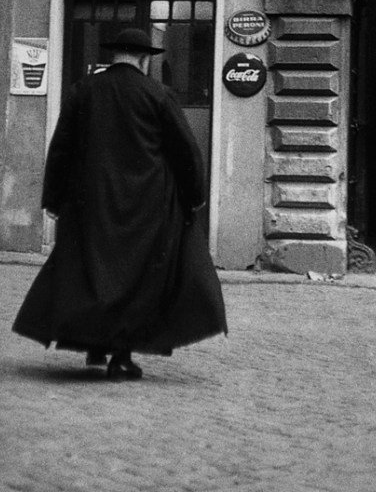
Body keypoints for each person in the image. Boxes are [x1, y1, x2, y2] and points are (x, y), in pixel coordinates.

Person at [13, 27, 227, 380]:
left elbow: (61, 147)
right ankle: (121, 358)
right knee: (134, 279)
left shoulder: (84, 91)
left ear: (114, 56)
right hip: (145, 205)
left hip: (90, 202)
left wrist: (53, 197)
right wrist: (194, 197)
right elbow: (186, 151)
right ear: (145, 59)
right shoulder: (158, 94)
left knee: (91, 272)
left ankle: (96, 344)